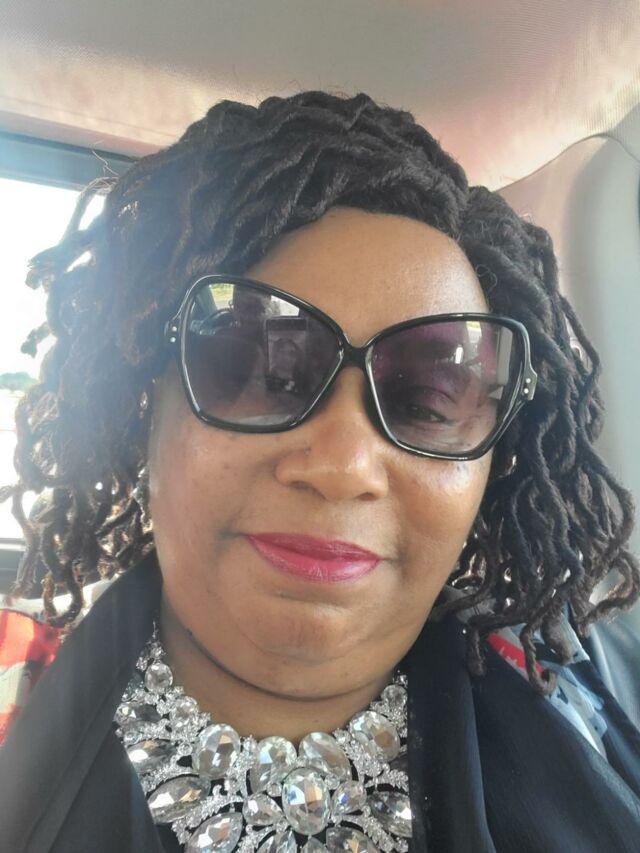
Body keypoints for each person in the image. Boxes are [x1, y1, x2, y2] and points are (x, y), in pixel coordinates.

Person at [0, 91, 639, 853]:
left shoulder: (600, 690)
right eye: (262, 374)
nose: (341, 467)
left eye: (427, 401)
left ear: (494, 466)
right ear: (143, 403)